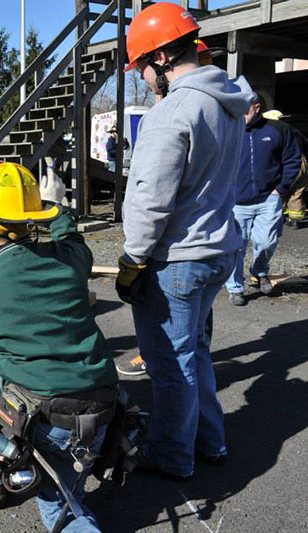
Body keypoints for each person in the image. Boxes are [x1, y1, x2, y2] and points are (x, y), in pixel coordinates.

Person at [117, 2, 255, 481]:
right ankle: (209, 441)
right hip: (220, 250)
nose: (144, 80)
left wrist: (132, 260)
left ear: (159, 59)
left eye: (141, 70)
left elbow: (149, 199)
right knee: (194, 351)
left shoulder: (172, 110)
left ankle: (173, 456)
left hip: (178, 258)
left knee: (170, 365)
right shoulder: (228, 101)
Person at [0, 162, 118, 531]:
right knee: (70, 481)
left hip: (47, 417)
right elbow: (72, 238)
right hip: (102, 406)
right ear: (33, 217)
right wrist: (56, 212)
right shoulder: (70, 260)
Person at [224, 94, 302, 305]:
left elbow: (293, 159)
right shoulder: (229, 132)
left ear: (256, 107)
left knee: (267, 242)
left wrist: (280, 189)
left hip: (269, 198)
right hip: (236, 202)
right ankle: (235, 288)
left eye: (244, 110)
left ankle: (259, 272)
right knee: (235, 247)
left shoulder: (278, 130)